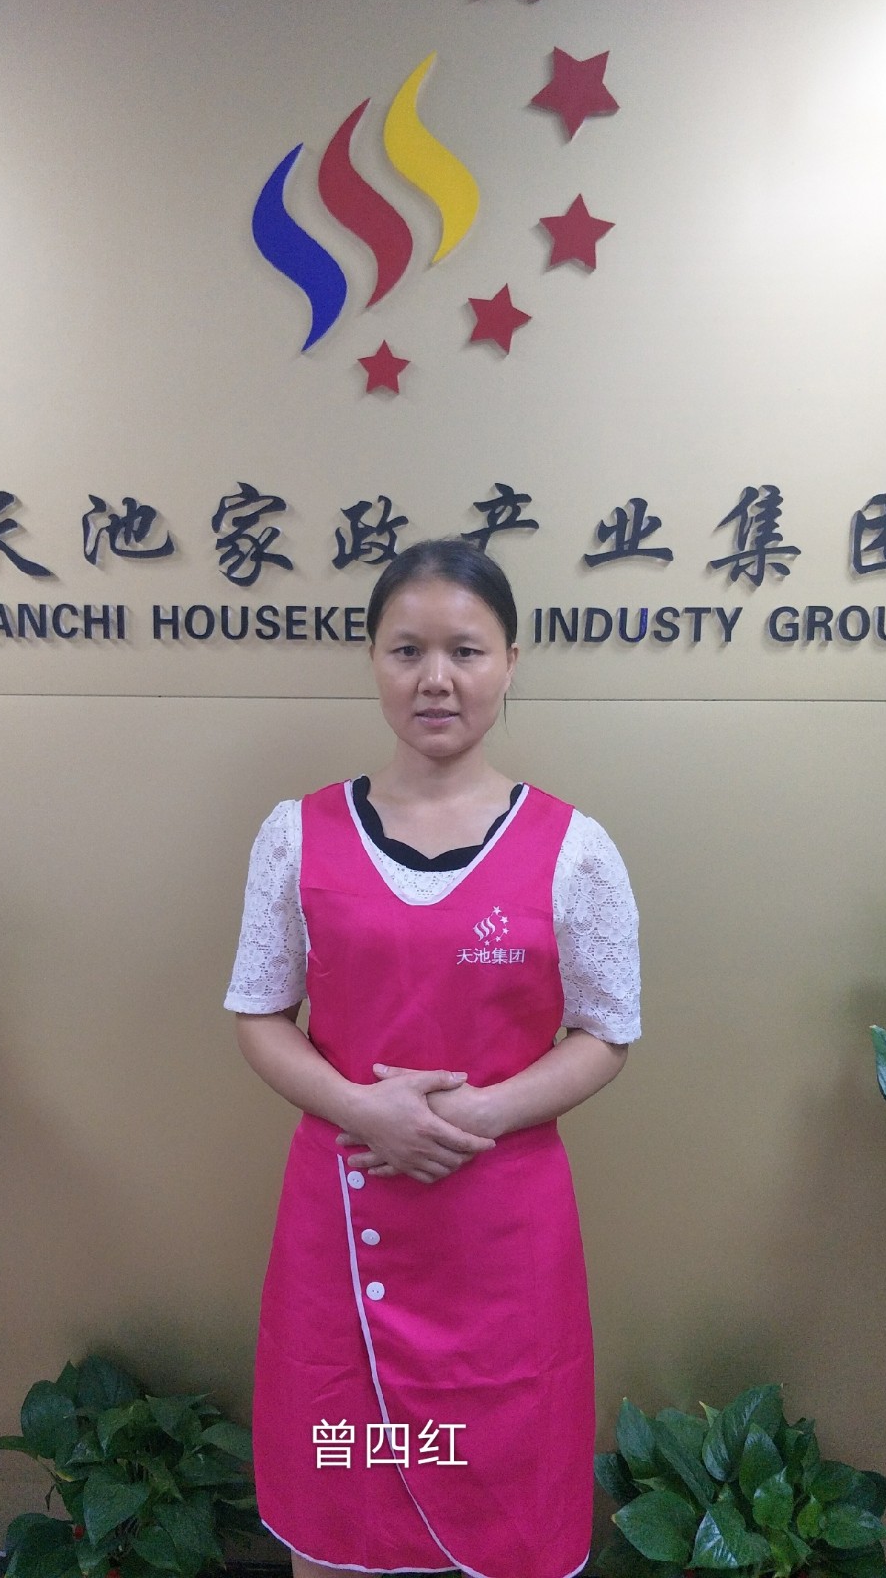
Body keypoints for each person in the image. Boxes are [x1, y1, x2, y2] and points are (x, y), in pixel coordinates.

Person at [224, 538, 641, 1578]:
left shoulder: (575, 847)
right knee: (342, 1497)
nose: (436, 678)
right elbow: (261, 1013)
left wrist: (478, 1116)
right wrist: (365, 1111)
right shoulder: (297, 834)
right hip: (344, 1211)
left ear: (511, 662)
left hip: (500, 1227)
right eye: (407, 650)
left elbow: (606, 1031)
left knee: (504, 1485)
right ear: (373, 660)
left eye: (466, 650)